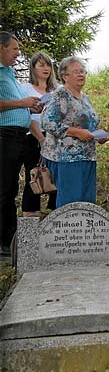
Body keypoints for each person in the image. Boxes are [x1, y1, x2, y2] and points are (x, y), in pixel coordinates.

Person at [42, 57, 108, 208]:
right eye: (76, 72)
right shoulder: (60, 95)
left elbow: (89, 124)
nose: (81, 75)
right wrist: (76, 132)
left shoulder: (85, 98)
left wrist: (98, 135)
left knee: (87, 203)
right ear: (65, 76)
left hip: (88, 156)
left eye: (83, 71)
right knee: (70, 204)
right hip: (67, 158)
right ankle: (64, 232)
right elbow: (48, 122)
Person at [0, 31, 43, 256]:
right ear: (1, 47)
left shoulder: (9, 74)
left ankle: (10, 238)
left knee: (10, 189)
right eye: (15, 48)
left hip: (18, 136)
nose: (18, 53)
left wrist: (30, 108)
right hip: (4, 135)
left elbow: (17, 105)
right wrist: (21, 102)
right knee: (4, 189)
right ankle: (4, 241)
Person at [20, 52, 59, 216]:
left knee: (57, 173)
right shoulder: (25, 88)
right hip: (34, 135)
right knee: (35, 172)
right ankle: (30, 213)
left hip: (56, 136)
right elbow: (25, 115)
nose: (46, 68)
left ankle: (55, 210)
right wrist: (41, 139)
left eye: (48, 64)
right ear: (33, 68)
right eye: (41, 65)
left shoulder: (58, 89)